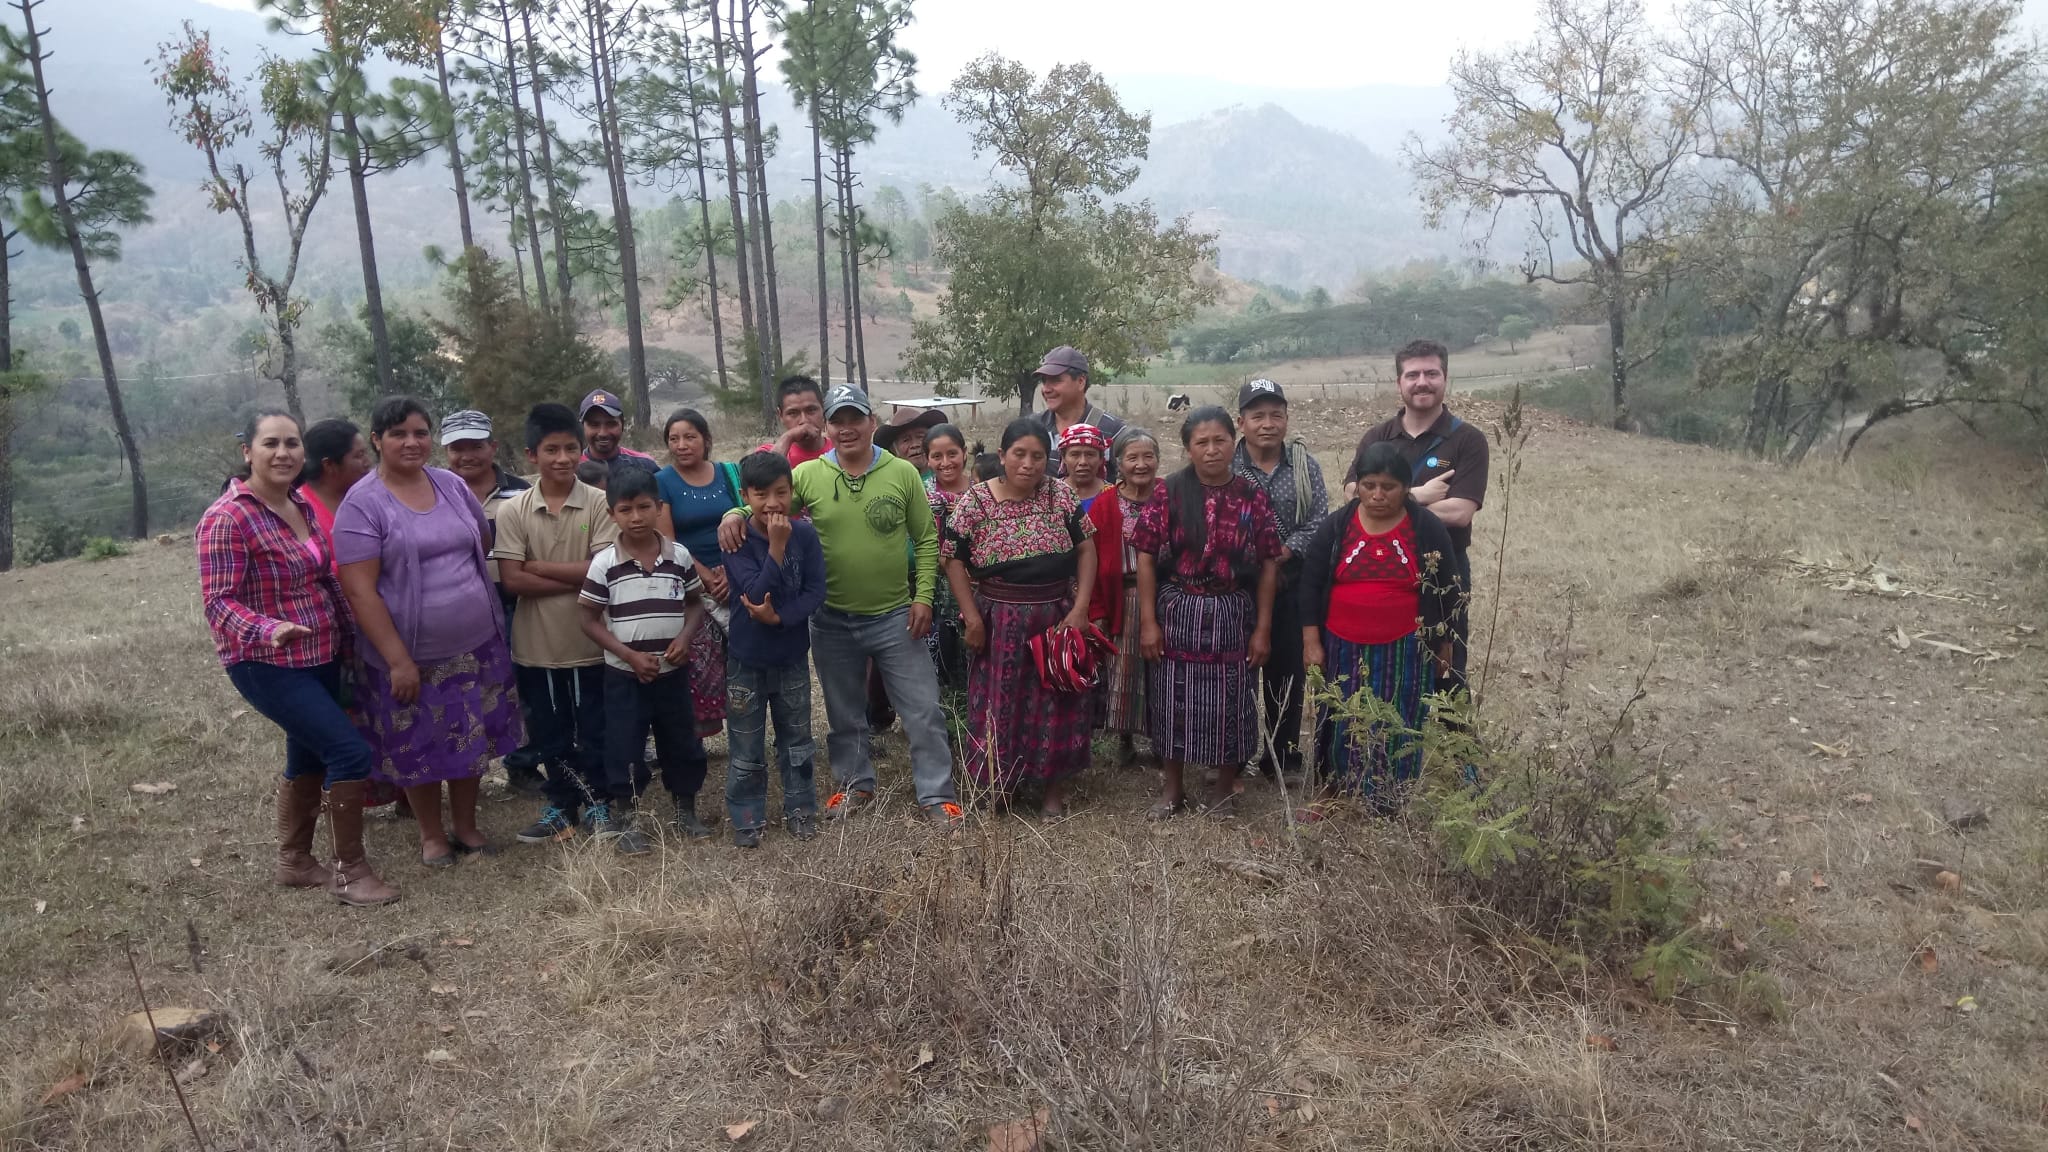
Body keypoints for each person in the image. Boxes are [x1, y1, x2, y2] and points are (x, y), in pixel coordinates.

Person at [716, 383, 961, 828]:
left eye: (856, 419)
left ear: (871, 423)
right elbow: (764, 500)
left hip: (895, 615)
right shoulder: (808, 475)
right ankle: (854, 785)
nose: (847, 429)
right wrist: (731, 514)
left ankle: (936, 794)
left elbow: (927, 539)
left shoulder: (902, 473)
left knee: (922, 710)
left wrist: (924, 596)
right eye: (838, 421)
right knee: (845, 715)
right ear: (827, 427)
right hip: (831, 619)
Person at [199, 410, 398, 907]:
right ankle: (351, 871)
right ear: (248, 451)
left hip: (320, 652)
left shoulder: (298, 506)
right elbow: (219, 603)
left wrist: (352, 637)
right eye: (270, 443)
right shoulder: (227, 518)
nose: (283, 453)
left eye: (291, 443)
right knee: (348, 753)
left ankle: (294, 861)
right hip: (264, 661)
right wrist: (271, 630)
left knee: (307, 753)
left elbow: (324, 575)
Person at [334, 397, 522, 867]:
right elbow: (360, 591)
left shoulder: (452, 485)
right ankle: (431, 834)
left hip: (476, 643)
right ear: (377, 440)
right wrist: (398, 659)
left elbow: (479, 542)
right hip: (409, 654)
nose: (411, 443)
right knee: (416, 743)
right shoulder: (362, 505)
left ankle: (466, 825)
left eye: (420, 433)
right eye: (398, 434)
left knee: (469, 736)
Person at [943, 420, 1098, 817]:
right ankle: (999, 789)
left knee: (1057, 700)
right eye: (1019, 454)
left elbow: (1086, 550)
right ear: (1002, 456)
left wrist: (1080, 610)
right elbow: (953, 560)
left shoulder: (1059, 495)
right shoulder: (975, 502)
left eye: (1038, 457)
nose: (1028, 465)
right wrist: (973, 618)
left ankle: (1052, 791)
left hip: (1055, 617)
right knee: (998, 703)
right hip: (998, 617)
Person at [1134, 406, 1282, 818]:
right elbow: (1145, 555)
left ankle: (1222, 790)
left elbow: (1270, 562)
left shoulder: (1252, 496)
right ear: (1187, 449)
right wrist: (1148, 622)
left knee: (1232, 702)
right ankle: (1173, 788)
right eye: (1202, 442)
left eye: (1220, 440)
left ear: (1234, 443)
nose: (1212, 450)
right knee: (1170, 699)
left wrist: (1263, 629)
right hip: (1178, 609)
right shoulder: (1169, 491)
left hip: (1233, 612)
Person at [1301, 443, 1459, 807]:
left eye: (1387, 487)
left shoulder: (1426, 528)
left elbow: (1448, 589)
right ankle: (1336, 789)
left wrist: (1444, 643)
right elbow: (1310, 586)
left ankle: (1389, 796)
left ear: (1406, 488)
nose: (1377, 495)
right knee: (1340, 713)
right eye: (1368, 485)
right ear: (1357, 485)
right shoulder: (1337, 526)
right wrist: (1312, 640)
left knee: (1400, 714)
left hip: (1406, 647)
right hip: (1342, 645)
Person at [493, 403, 620, 844]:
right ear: (531, 455)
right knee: (550, 731)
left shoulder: (602, 503)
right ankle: (562, 805)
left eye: (570, 448)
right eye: (552, 450)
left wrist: (539, 567)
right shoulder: (513, 512)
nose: (563, 458)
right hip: (537, 646)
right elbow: (511, 581)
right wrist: (576, 570)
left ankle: (599, 801)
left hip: (592, 639)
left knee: (595, 727)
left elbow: (601, 571)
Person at [1341, 339, 1487, 693]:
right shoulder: (1378, 437)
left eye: (1431, 373)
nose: (1422, 381)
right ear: (1399, 383)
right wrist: (1416, 496)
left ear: (1445, 378)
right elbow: (1349, 492)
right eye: (1413, 374)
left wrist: (1383, 504)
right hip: (1379, 568)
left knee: (1447, 669)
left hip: (1443, 570)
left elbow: (1459, 512)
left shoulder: (1468, 440)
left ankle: (1453, 747)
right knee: (1385, 667)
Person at [578, 467, 712, 852]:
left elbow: (694, 604)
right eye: (625, 509)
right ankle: (627, 818)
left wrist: (686, 638)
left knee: (681, 740)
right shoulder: (605, 563)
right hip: (625, 675)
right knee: (625, 745)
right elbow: (587, 618)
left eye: (643, 507)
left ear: (658, 508)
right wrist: (628, 655)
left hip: (672, 671)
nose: (635, 517)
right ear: (611, 514)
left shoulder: (678, 556)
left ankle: (685, 809)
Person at [721, 451, 828, 847]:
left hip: (791, 657)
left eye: (781, 492)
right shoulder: (735, 538)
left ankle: (801, 810)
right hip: (746, 660)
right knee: (746, 745)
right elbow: (754, 592)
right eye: (760, 494)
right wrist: (777, 547)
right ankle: (747, 817)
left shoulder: (805, 534)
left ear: (792, 491)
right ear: (744, 494)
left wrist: (780, 619)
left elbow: (816, 590)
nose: (772, 504)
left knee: (798, 742)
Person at [439, 409, 541, 796]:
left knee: (523, 686)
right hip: (459, 610)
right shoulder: (433, 494)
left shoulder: (522, 492)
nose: (468, 455)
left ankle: (524, 766)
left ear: (493, 447)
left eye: (476, 446)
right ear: (445, 450)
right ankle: (464, 769)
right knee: (464, 691)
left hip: (514, 602)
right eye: (458, 447)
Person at [1231, 379, 1328, 781]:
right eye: (1258, 416)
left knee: (1286, 670)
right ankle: (1231, 755)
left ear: (1287, 420)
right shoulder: (1226, 465)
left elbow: (1318, 521)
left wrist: (1281, 551)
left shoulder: (1305, 466)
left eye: (1276, 415)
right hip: (1237, 584)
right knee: (1235, 672)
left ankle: (1283, 757)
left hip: (1292, 583)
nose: (1267, 424)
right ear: (1241, 422)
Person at [653, 408, 739, 739]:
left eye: (690, 437)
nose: (682, 445)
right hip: (692, 584)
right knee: (702, 661)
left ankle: (748, 726)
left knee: (745, 659)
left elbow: (746, 517)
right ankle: (697, 733)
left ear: (706, 439)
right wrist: (707, 576)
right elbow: (668, 540)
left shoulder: (728, 473)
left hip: (737, 577)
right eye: (674, 439)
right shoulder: (662, 482)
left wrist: (732, 573)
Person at [1097, 427, 1160, 767]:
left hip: (1163, 597)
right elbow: (1090, 555)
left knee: (1161, 669)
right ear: (1117, 463)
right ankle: (1125, 741)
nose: (1140, 464)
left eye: (1148, 456)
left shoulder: (1168, 495)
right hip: (1120, 596)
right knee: (1123, 668)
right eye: (1132, 457)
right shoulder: (1107, 501)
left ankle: (1163, 743)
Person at [922, 423, 978, 693]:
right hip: (935, 585)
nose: (946, 463)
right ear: (927, 459)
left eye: (952, 454)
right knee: (941, 645)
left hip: (977, 584)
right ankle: (945, 715)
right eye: (937, 456)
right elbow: (917, 541)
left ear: (964, 453)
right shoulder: (921, 494)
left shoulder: (983, 490)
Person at [1031, 346, 1126, 476]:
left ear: (1081, 381)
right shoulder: (1033, 427)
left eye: (1055, 380)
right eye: (1044, 381)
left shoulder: (1112, 430)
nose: (1046, 389)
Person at [580, 388, 659, 476]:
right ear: (582, 427)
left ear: (623, 425)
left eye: (611, 424)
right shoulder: (572, 468)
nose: (603, 433)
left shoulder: (645, 466)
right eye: (594, 424)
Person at [757, 375, 830, 466]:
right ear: (780, 415)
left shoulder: (840, 450)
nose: (804, 420)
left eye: (811, 410)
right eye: (793, 413)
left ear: (823, 409)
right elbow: (764, 475)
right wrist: (788, 437)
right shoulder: (766, 454)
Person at [875, 405, 945, 476]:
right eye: (906, 440)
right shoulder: (892, 481)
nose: (915, 445)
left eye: (920, 437)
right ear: (895, 450)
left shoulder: (947, 476)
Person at [1060, 422, 1110, 509]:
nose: (1083, 462)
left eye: (1090, 454)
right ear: (1064, 458)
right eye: (1075, 454)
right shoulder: (1049, 495)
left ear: (1101, 459)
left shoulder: (1115, 496)